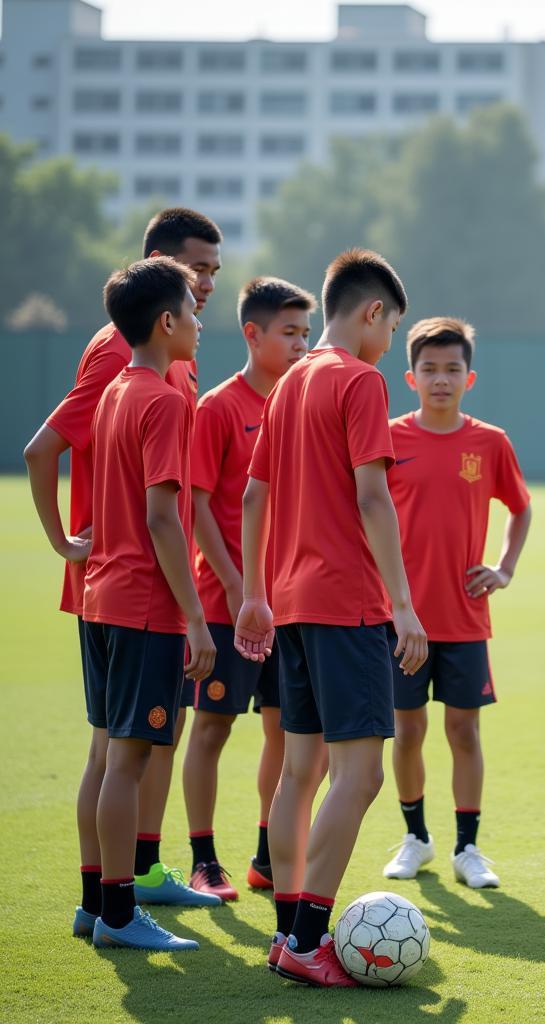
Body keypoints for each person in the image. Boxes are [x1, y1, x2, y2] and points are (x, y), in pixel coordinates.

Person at [234, 249, 428, 986]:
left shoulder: (285, 386)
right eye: (391, 327)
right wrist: (404, 606)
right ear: (374, 313)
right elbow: (373, 498)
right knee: (360, 774)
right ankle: (310, 939)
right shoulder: (358, 380)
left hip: (289, 603)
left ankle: (287, 930)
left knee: (299, 771)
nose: (387, 344)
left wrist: (255, 592)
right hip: (346, 602)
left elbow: (254, 499)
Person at [23, 209, 223, 921]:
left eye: (212, 274)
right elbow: (47, 450)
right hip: (138, 588)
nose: (205, 291)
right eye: (196, 272)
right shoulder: (123, 362)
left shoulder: (159, 367)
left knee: (126, 747)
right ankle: (116, 902)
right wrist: (63, 541)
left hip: (124, 583)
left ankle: (117, 887)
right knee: (119, 751)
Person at [79, 258, 218, 949]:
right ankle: (117, 913)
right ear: (167, 323)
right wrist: (195, 617)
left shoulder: (114, 392)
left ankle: (94, 904)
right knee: (128, 762)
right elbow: (163, 518)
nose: (200, 321)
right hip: (142, 607)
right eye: (193, 310)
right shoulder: (164, 399)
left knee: (107, 758)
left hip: (101, 597)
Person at [381, 317, 532, 889]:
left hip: (466, 616)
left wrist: (505, 567)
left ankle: (469, 849)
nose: (440, 379)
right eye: (429, 369)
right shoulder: (389, 439)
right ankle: (416, 838)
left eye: (452, 369)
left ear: (470, 378)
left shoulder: (490, 442)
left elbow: (520, 507)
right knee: (408, 729)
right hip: (402, 620)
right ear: (410, 377)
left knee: (464, 732)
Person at [182, 277, 316, 901]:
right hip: (224, 603)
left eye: (305, 333)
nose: (300, 344)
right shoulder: (218, 407)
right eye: (288, 333)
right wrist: (239, 589)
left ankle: (267, 850)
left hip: (285, 603)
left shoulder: (301, 402)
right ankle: (203, 858)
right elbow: (199, 506)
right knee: (211, 728)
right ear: (252, 334)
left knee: (284, 731)